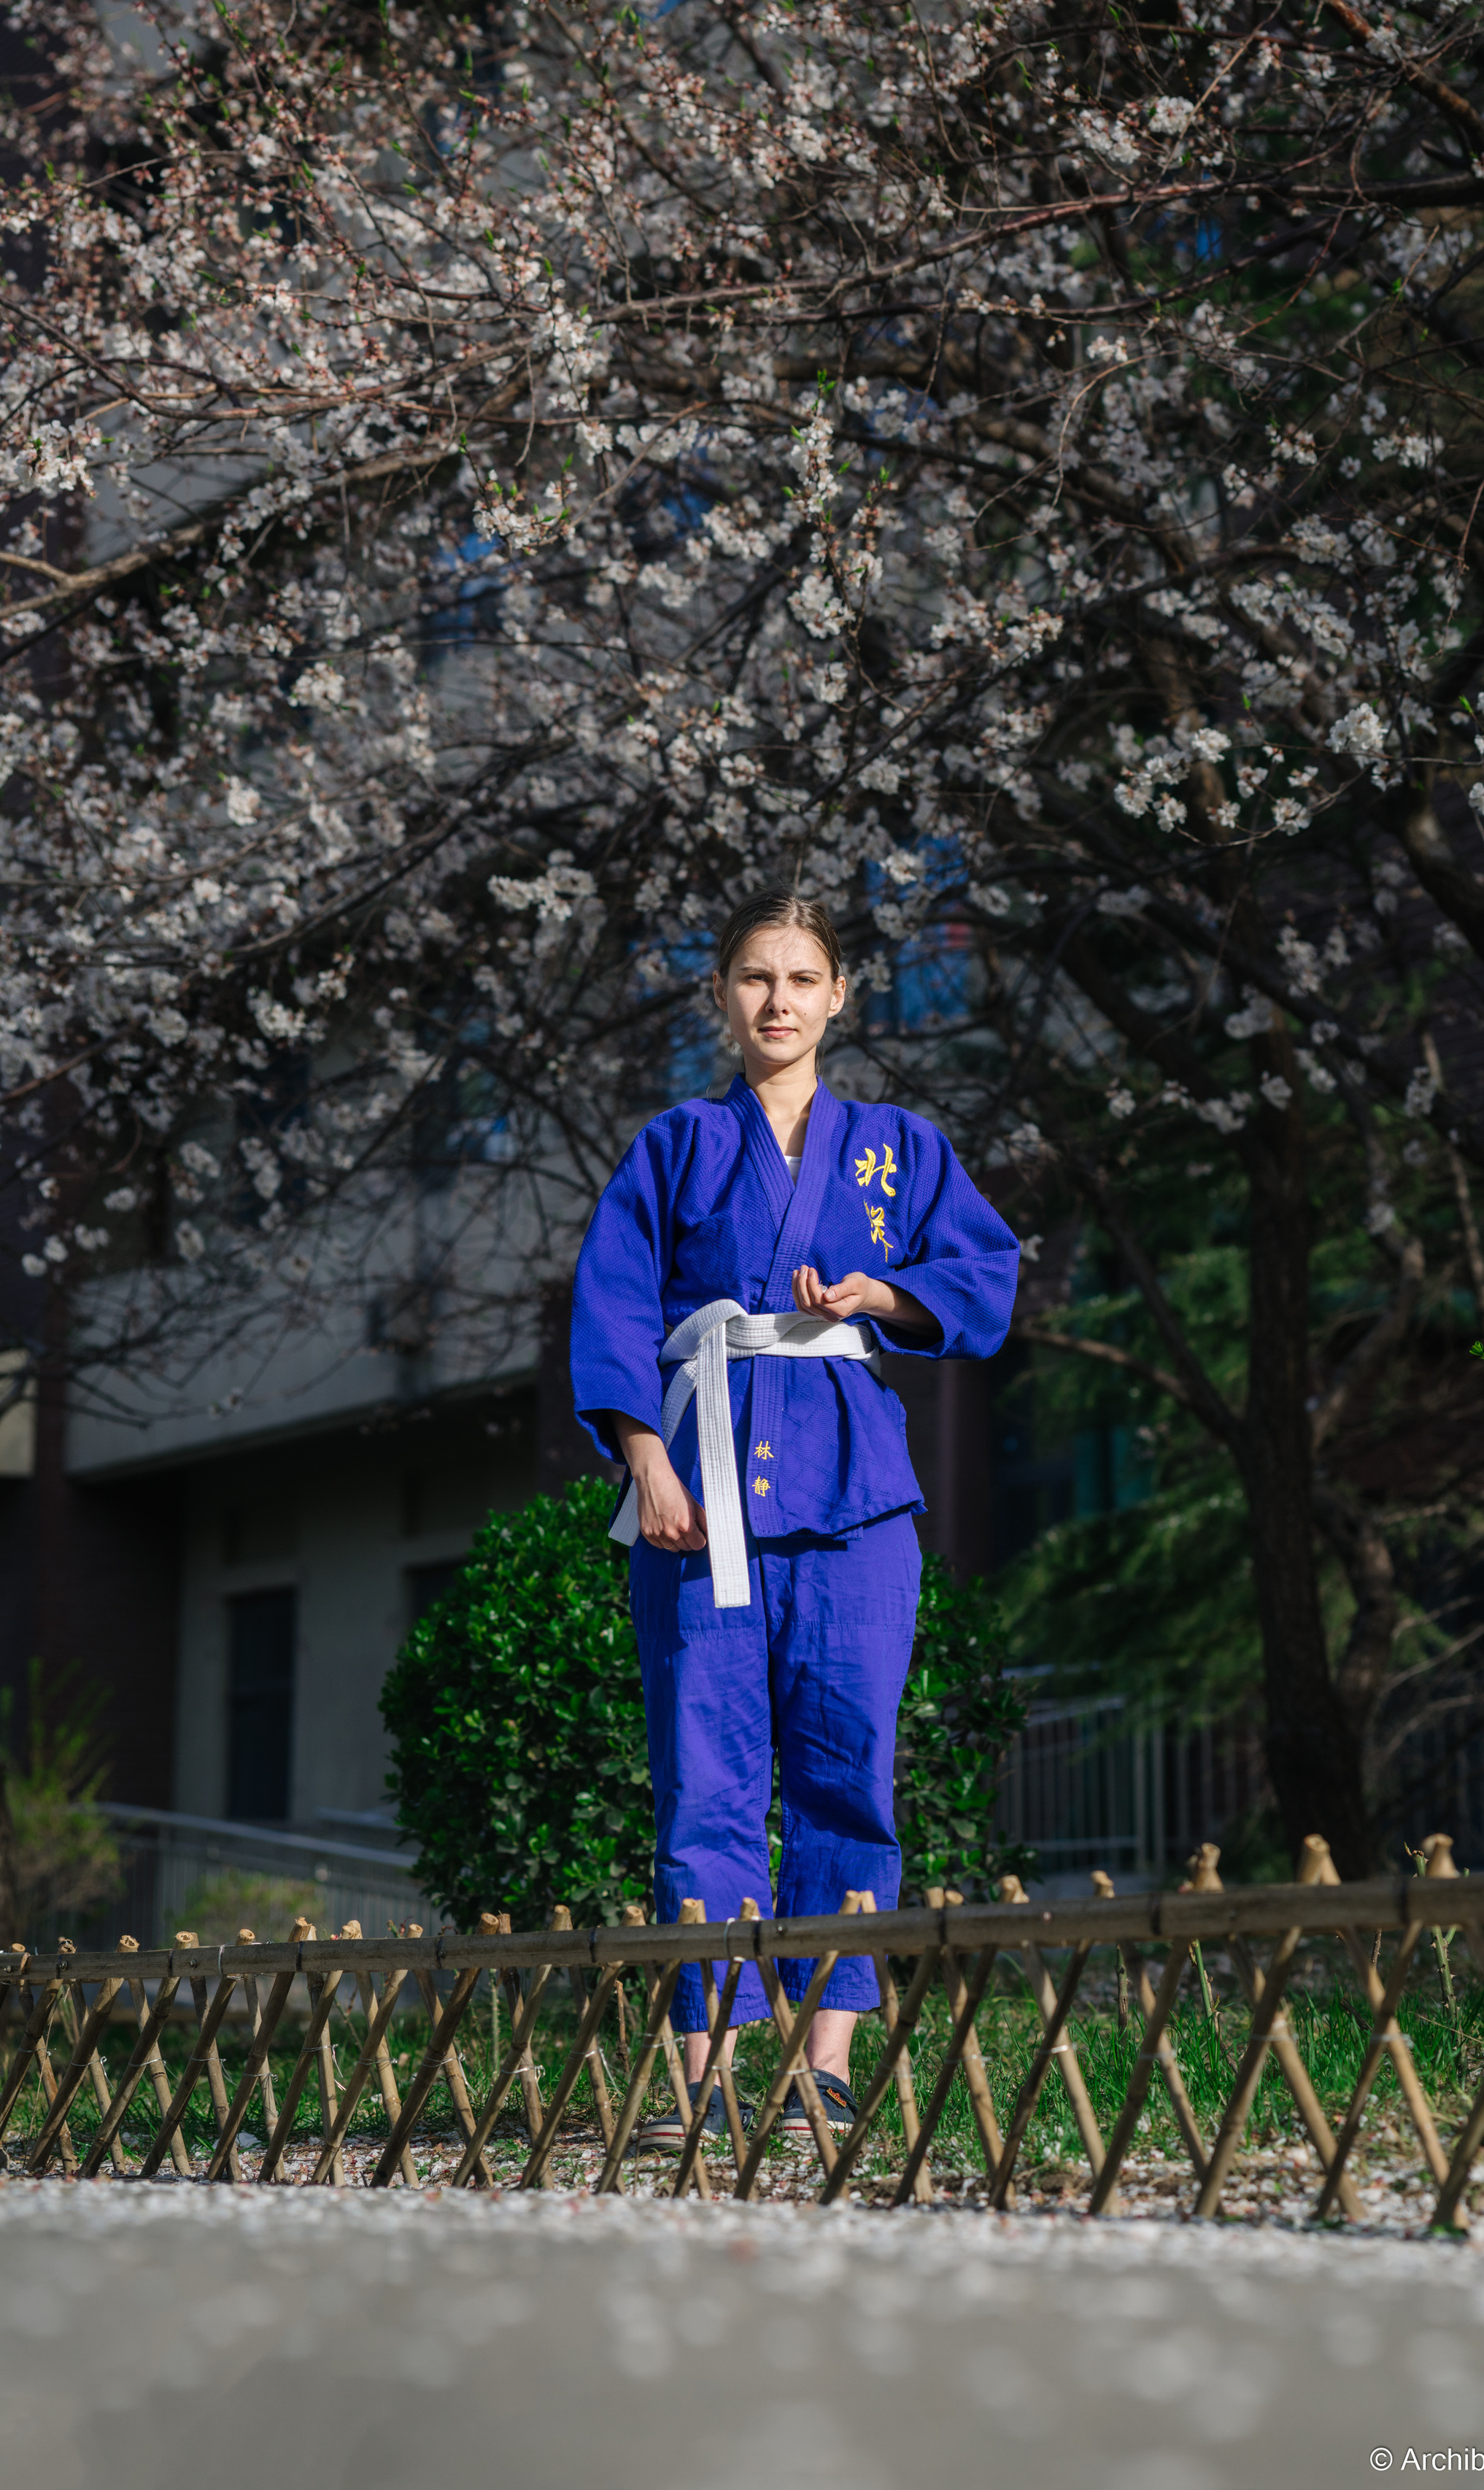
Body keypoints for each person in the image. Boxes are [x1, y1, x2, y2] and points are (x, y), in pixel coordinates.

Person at [569, 888, 1019, 2144]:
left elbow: (983, 1273)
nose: (778, 1000)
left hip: (855, 1495)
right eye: (754, 978)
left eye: (801, 979)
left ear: (837, 999)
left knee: (846, 1775)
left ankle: (824, 2059)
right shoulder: (672, 1146)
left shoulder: (899, 1148)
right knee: (705, 1784)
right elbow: (609, 1307)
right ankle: (706, 2070)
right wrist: (648, 1465)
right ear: (722, 998)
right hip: (697, 1496)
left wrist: (890, 1289)